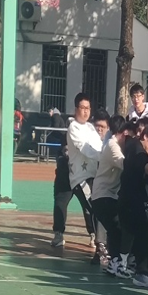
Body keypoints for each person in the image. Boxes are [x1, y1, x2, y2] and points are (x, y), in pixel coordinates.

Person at [59, 94, 104, 261]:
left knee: (97, 208)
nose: (85, 112)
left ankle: (99, 241)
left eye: (88, 108)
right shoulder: (74, 128)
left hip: (94, 176)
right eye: (82, 108)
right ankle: (100, 245)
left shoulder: (91, 128)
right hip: (80, 178)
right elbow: (86, 149)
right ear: (76, 109)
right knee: (94, 207)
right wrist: (105, 157)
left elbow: (99, 146)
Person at [116, 122, 148, 283]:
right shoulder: (139, 152)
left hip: (127, 199)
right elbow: (146, 168)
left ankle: (130, 267)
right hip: (133, 201)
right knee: (143, 236)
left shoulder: (131, 145)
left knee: (132, 235)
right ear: (146, 137)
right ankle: (142, 273)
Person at [91, 116, 129, 275]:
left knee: (116, 227)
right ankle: (115, 262)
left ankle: (115, 262)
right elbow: (125, 164)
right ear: (123, 132)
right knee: (116, 227)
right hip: (103, 195)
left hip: (106, 195)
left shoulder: (112, 144)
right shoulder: (113, 146)